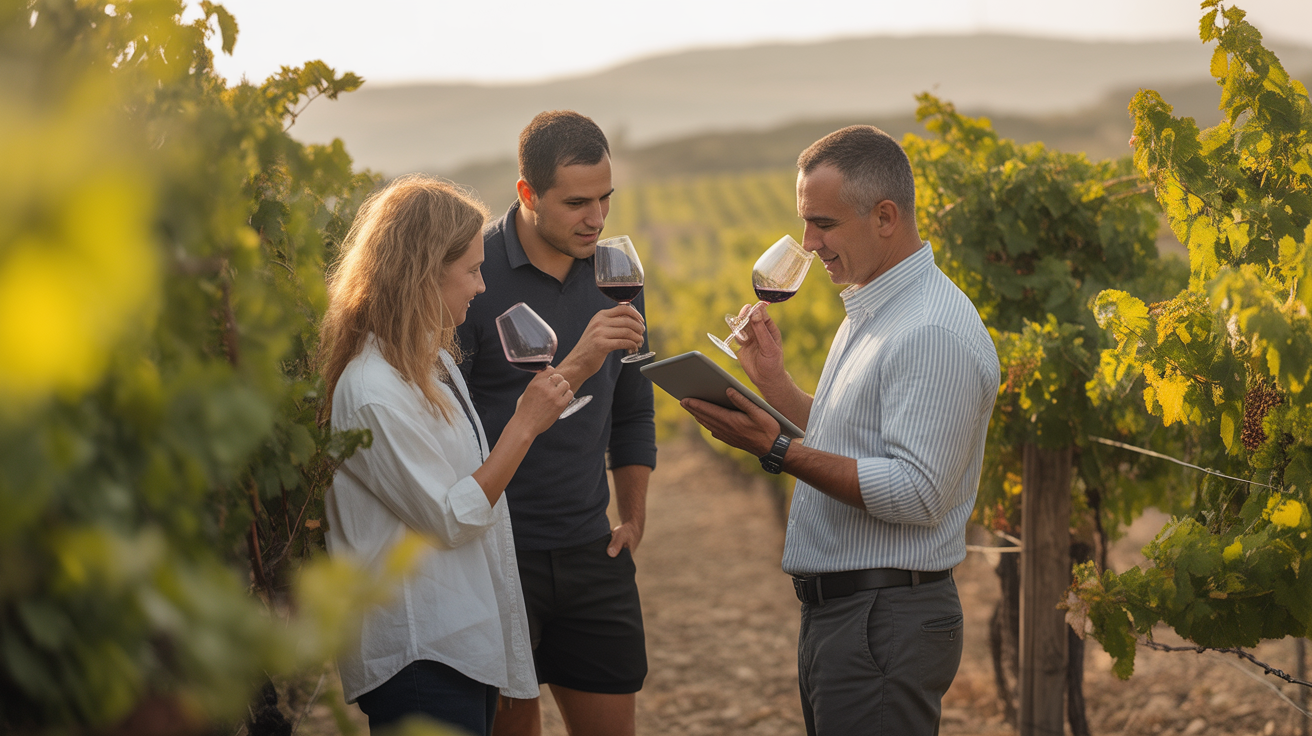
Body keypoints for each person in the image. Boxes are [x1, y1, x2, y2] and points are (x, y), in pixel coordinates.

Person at [681, 126, 1000, 735]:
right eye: (805, 223)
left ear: (885, 216)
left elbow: (917, 492)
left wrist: (775, 449)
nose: (808, 243)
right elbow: (851, 439)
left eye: (822, 223)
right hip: (854, 618)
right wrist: (774, 386)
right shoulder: (878, 309)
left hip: (882, 621)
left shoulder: (929, 330)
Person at [318, 175, 577, 735]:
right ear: (422, 274)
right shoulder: (372, 392)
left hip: (457, 641)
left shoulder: (432, 366)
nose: (483, 287)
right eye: (472, 270)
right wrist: (524, 428)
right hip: (418, 651)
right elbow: (451, 517)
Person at [456, 111, 656, 736]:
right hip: (497, 552)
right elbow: (444, 421)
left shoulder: (618, 272)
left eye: (605, 199)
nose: (596, 219)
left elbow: (632, 403)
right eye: (576, 203)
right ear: (527, 194)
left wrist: (634, 513)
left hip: (590, 548)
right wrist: (582, 357)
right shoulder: (471, 276)